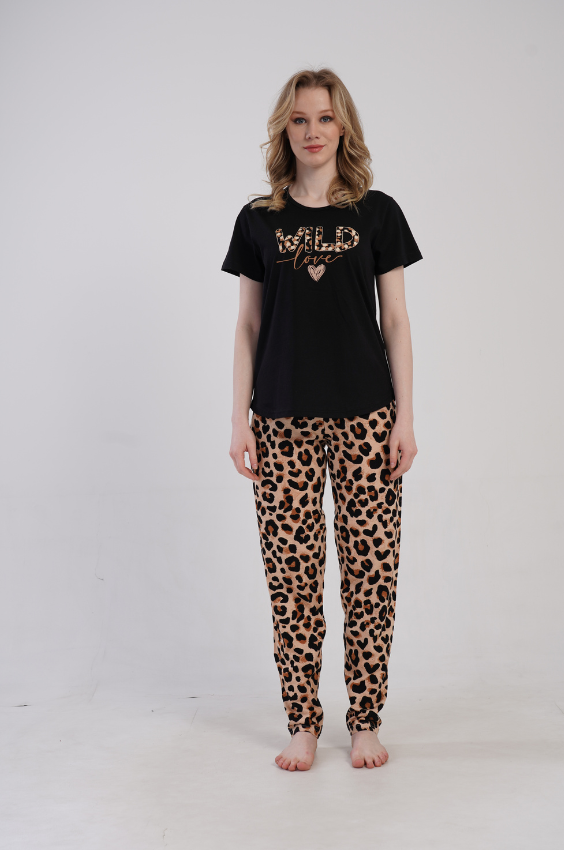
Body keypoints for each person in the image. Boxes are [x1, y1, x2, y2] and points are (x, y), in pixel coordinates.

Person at [221, 67, 423, 772]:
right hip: (280, 419)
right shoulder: (258, 219)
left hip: (366, 416)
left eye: (325, 118)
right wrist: (240, 420)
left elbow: (396, 321)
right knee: (292, 579)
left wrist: (404, 417)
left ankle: (364, 721)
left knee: (371, 574)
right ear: (285, 129)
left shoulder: (377, 213)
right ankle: (303, 723)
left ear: (344, 127)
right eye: (300, 119)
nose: (313, 131)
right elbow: (248, 326)